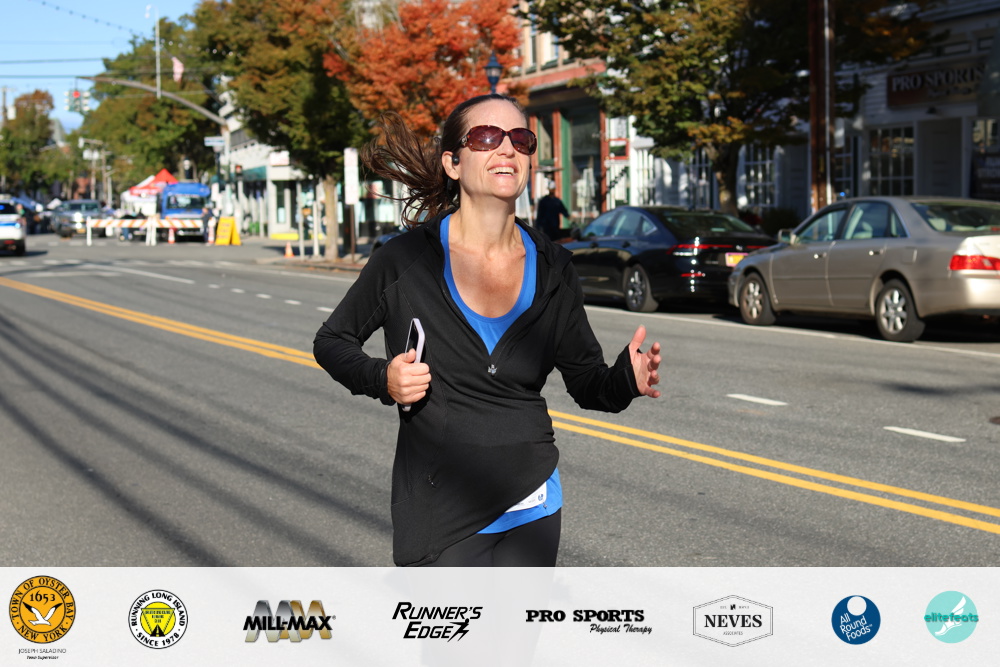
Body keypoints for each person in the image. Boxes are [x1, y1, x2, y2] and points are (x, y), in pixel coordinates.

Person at [313, 94, 662, 567]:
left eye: (520, 139)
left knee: (517, 622)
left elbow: (586, 383)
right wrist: (383, 378)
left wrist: (626, 380)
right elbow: (331, 341)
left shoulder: (554, 267)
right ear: (453, 163)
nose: (506, 148)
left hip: (532, 502)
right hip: (442, 510)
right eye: (485, 137)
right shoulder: (405, 260)